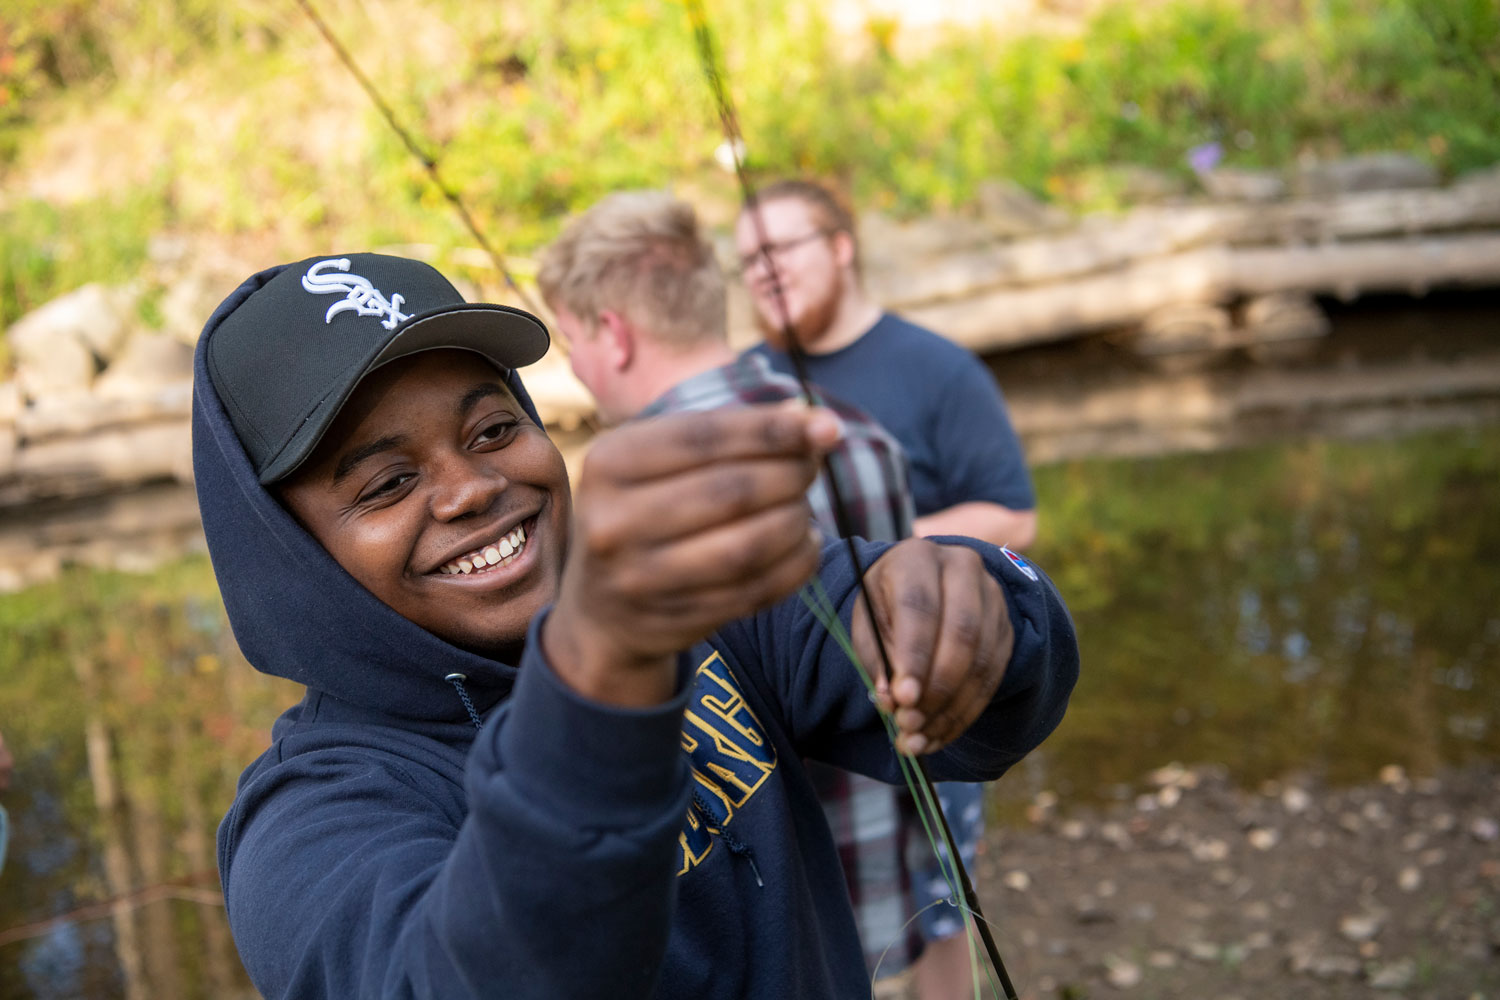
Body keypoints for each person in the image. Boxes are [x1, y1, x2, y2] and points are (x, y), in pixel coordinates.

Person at [196, 251, 1078, 999]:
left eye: (494, 428)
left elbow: (980, 706)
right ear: (288, 555)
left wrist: (977, 601)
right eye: (386, 484)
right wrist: (600, 665)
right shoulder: (304, 827)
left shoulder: (701, 604)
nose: (471, 488)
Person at [537, 189, 924, 975]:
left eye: (570, 341)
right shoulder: (857, 429)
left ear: (612, 335)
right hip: (895, 857)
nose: (574, 367)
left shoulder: (634, 520)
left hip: (776, 917)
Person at [736, 179, 1039, 999]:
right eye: (745, 262)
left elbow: (1013, 516)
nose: (761, 272)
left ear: (841, 246)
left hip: (926, 678)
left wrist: (869, 565)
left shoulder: (938, 368)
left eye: (779, 250)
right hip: (806, 707)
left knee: (942, 899)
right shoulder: (746, 381)